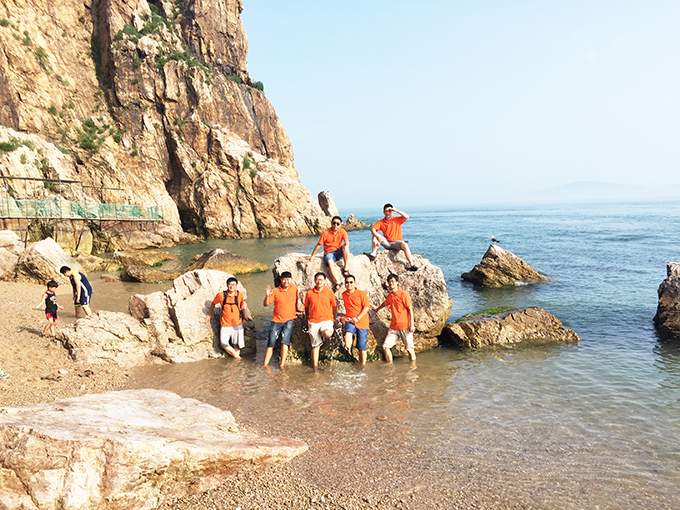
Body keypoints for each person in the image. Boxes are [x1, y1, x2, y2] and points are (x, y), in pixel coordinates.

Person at [263, 271, 302, 368]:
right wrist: (267, 295)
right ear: (281, 280)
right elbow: (266, 304)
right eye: (284, 279)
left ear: (291, 279)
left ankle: (282, 365)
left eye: (288, 279)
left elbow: (299, 302)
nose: (286, 281)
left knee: (285, 341)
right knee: (271, 342)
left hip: (289, 320)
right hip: (276, 320)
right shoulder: (275, 291)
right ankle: (265, 365)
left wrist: (300, 310)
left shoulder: (294, 289)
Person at [374, 273, 416, 363]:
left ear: (397, 282)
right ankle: (390, 367)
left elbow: (410, 309)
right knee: (385, 346)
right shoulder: (390, 296)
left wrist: (412, 324)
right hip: (394, 327)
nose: (391, 283)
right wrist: (377, 309)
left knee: (410, 349)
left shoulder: (404, 294)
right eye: (389, 282)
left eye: (393, 281)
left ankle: (413, 368)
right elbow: (385, 303)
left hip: (405, 326)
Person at [365, 203, 418, 271]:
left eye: (390, 211)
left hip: (396, 243)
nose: (388, 212)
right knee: (375, 235)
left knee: (405, 244)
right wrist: (377, 236)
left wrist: (396, 210)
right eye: (386, 211)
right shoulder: (381, 222)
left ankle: (411, 264)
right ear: (383, 212)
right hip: (387, 243)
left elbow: (407, 216)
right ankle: (373, 254)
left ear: (392, 211)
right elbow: (373, 229)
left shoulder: (397, 219)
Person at [206, 277, 248, 359]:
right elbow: (213, 303)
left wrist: (244, 306)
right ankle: (238, 358)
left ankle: (236, 362)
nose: (232, 286)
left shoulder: (239, 295)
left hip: (237, 324)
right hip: (225, 324)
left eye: (234, 284)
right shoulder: (221, 295)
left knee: (236, 345)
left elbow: (242, 304)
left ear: (236, 286)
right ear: (227, 285)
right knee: (224, 343)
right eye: (230, 284)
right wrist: (209, 314)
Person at [303, 272, 337, 369]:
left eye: (321, 279)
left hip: (326, 320)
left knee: (326, 333)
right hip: (313, 321)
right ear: (314, 280)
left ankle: (323, 335)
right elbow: (306, 307)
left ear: (324, 281)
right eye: (317, 279)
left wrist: (334, 318)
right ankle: (315, 368)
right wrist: (307, 318)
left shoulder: (329, 292)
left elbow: (334, 306)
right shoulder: (309, 293)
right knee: (315, 346)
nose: (319, 281)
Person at [309, 215, 350, 288]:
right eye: (334, 223)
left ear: (340, 225)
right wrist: (312, 256)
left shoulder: (342, 231)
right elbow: (319, 245)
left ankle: (346, 268)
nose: (335, 225)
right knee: (330, 261)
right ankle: (337, 282)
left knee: (345, 247)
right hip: (329, 253)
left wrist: (345, 246)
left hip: (337, 252)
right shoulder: (326, 232)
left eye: (338, 224)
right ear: (331, 223)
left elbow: (347, 242)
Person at [340, 274, 371, 366]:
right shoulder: (344, 294)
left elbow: (366, 307)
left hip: (362, 322)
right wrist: (344, 318)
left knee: (362, 347)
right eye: (347, 282)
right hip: (350, 320)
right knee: (348, 333)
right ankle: (348, 350)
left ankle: (362, 366)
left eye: (351, 282)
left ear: (354, 283)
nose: (349, 284)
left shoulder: (361, 293)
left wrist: (358, 318)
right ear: (344, 284)